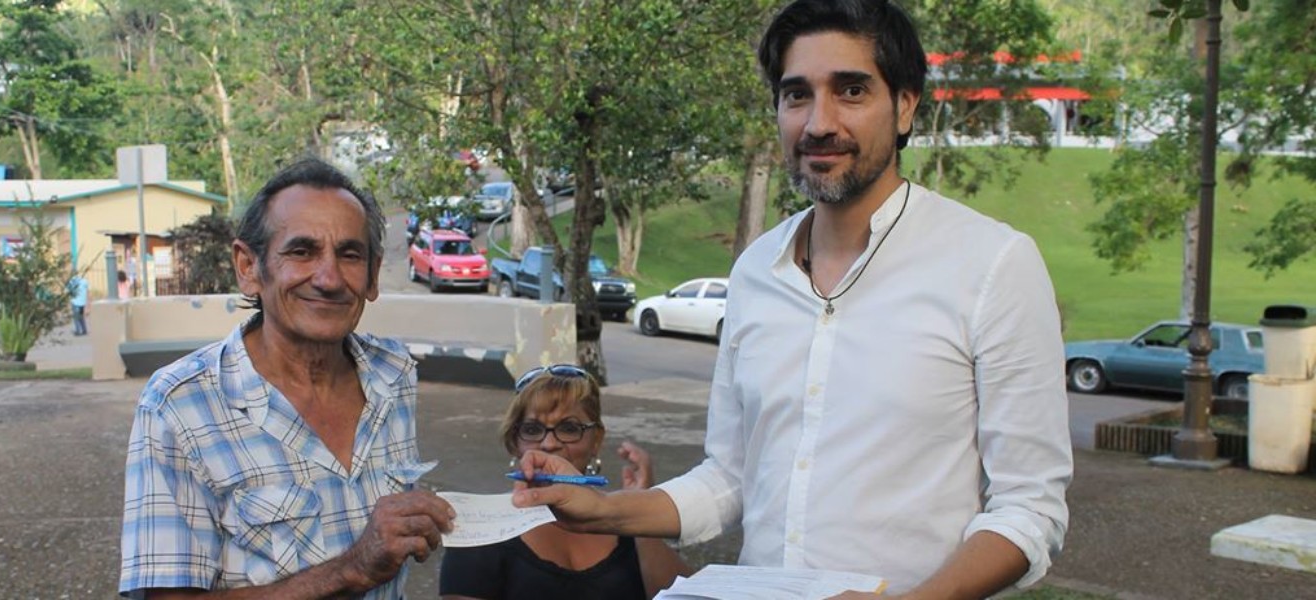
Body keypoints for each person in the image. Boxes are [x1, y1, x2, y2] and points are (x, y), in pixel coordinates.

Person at [512, 1, 1072, 598]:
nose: (818, 123)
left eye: (851, 91)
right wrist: (603, 511)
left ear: (905, 106)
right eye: (797, 95)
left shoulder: (992, 263)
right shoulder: (756, 270)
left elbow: (1029, 507)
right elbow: (732, 478)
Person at [118, 158, 455, 599]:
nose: (330, 278)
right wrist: (350, 569)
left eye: (350, 254)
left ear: (372, 276)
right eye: (301, 251)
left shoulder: (393, 372)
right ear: (248, 267)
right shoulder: (180, 406)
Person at [439, 364, 691, 600]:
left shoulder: (622, 518)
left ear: (596, 440)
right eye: (532, 429)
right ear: (514, 442)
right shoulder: (480, 533)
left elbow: (681, 595)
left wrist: (640, 517)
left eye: (569, 428)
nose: (549, 444)